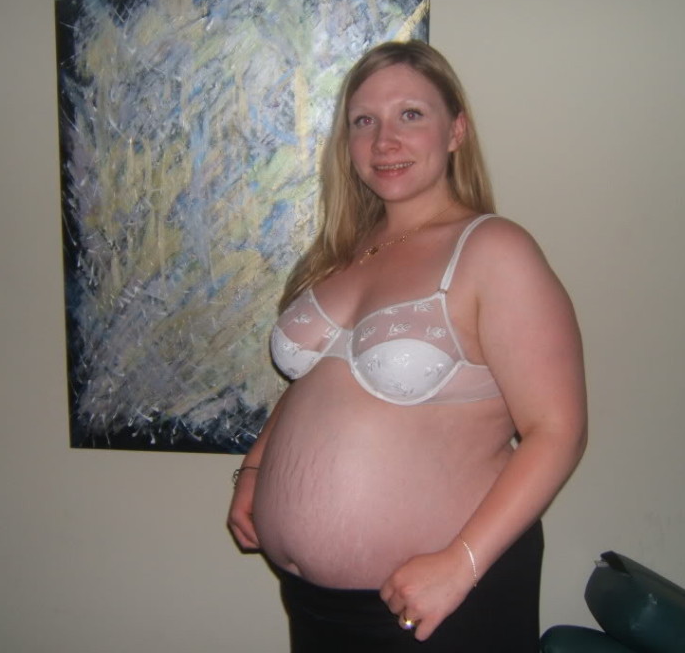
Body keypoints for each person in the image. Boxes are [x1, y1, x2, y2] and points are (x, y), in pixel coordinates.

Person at [227, 40, 587, 652]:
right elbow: (317, 383)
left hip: (439, 604)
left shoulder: (493, 250)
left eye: (410, 115)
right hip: (313, 606)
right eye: (363, 121)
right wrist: (256, 468)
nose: (383, 141)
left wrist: (459, 565)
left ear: (456, 131)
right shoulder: (341, 254)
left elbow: (558, 430)